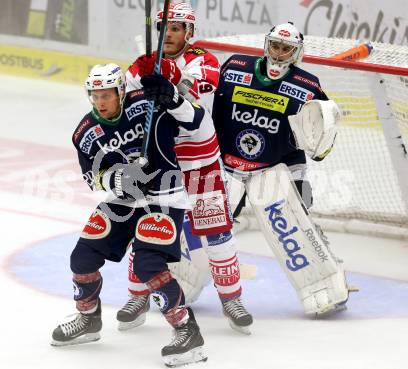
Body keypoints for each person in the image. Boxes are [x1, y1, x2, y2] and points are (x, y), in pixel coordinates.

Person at [50, 63, 209, 367]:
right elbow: (94, 177)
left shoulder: (147, 103)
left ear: (121, 91)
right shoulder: (85, 133)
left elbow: (197, 121)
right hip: (124, 200)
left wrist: (173, 98)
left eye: (107, 94)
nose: (101, 102)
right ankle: (88, 320)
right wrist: (119, 179)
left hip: (164, 196)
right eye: (95, 95)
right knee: (81, 257)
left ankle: (187, 331)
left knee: (149, 263)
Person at [121, 1, 253, 334]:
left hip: (199, 161)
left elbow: (193, 90)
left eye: (176, 28)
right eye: (164, 28)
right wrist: (141, 78)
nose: (168, 35)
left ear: (189, 32)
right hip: (161, 160)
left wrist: (165, 74)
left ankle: (231, 299)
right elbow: (126, 96)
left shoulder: (203, 60)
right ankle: (138, 297)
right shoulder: (143, 64)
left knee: (217, 233)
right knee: (146, 231)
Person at [211, 22, 351, 315]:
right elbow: (216, 114)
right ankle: (181, 282)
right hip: (228, 165)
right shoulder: (234, 66)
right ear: (266, 45)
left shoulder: (308, 86)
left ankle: (324, 288)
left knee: (293, 230)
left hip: (275, 168)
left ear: (296, 53)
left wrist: (306, 166)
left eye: (286, 48)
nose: (279, 52)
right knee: (207, 226)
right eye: (275, 45)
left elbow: (317, 135)